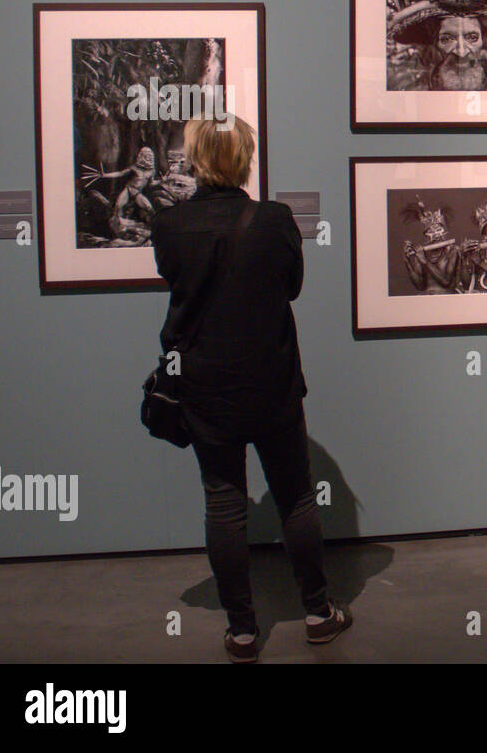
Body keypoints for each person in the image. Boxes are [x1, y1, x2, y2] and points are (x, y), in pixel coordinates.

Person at [150, 113, 352, 663]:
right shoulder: (276, 220)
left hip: (206, 383)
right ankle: (317, 613)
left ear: (195, 160)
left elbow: (180, 285)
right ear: (244, 158)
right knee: (295, 496)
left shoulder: (169, 226)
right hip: (272, 378)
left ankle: (242, 631)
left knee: (224, 500)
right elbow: (291, 288)